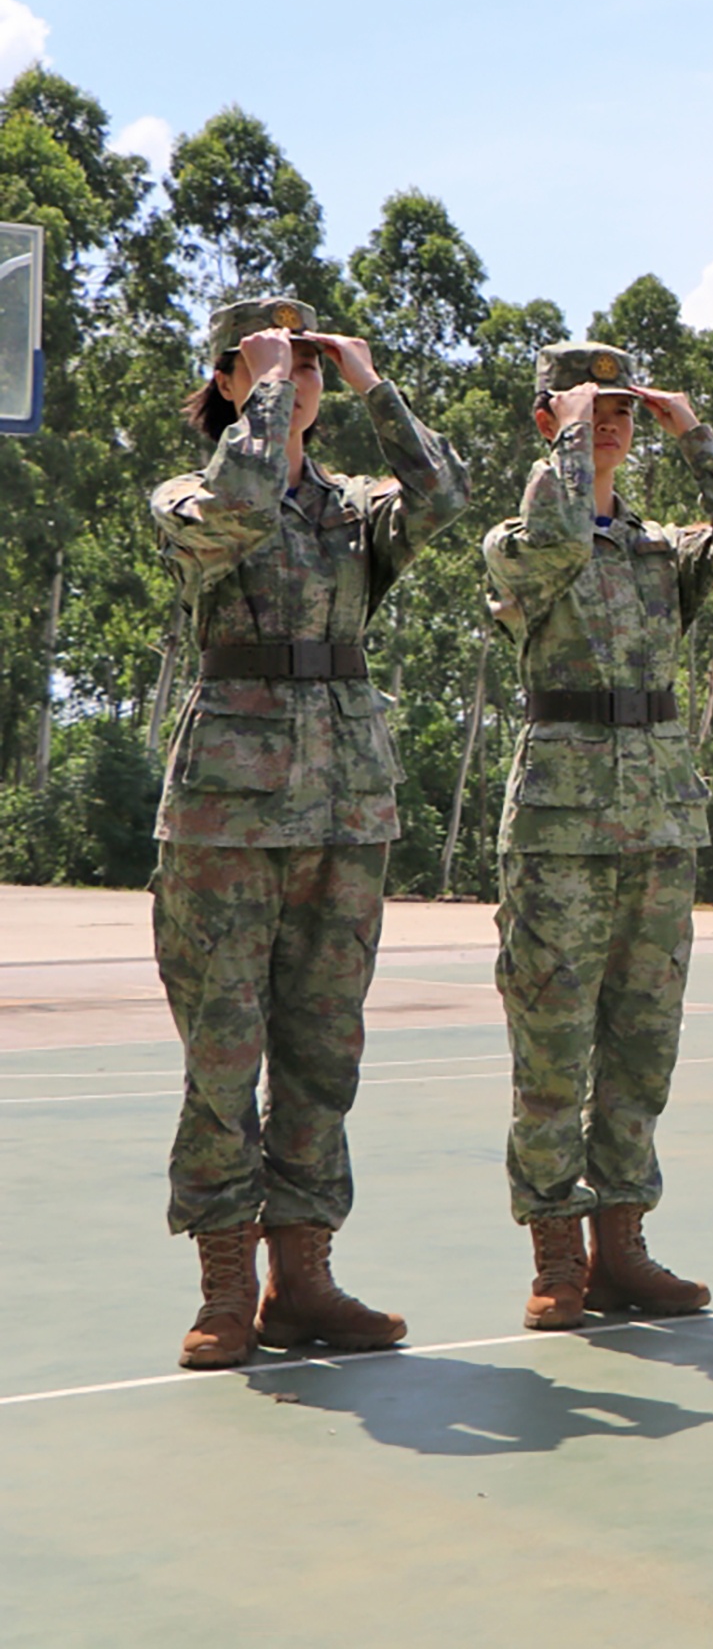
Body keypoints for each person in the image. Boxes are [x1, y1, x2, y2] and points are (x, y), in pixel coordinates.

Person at [150, 292, 468, 1369]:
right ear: (230, 379)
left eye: (307, 362)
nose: (297, 375)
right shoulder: (192, 491)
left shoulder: (357, 506)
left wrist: (374, 383)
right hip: (228, 810)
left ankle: (307, 1277)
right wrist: (274, 388)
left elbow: (447, 493)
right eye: (267, 359)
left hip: (343, 799)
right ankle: (226, 1284)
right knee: (224, 1050)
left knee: (324, 1047)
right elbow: (237, 511)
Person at [482, 341, 713, 1329]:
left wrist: (691, 427)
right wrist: (569, 436)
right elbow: (559, 538)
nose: (612, 423)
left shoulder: (658, 548)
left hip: (656, 822)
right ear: (549, 420)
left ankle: (623, 1244)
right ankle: (557, 1254)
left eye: (623, 411)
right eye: (590, 408)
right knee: (555, 1047)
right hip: (563, 823)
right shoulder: (519, 539)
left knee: (643, 1047)